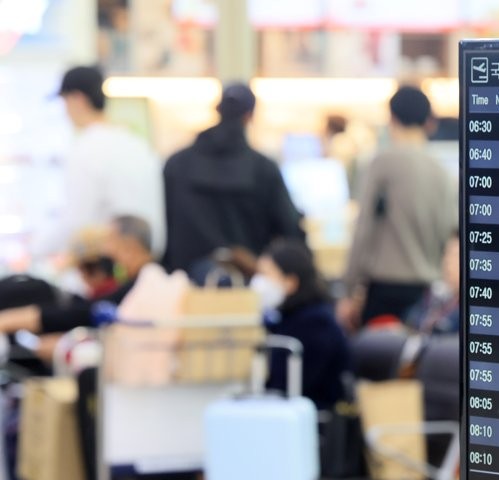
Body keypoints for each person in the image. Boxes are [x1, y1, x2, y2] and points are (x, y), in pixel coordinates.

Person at [338, 85, 457, 330]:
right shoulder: (443, 173)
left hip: (384, 290)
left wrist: (348, 290)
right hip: (426, 291)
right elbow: (450, 233)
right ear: (429, 122)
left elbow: (363, 230)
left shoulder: (380, 164)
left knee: (379, 363)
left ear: (391, 119)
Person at [162, 82, 305, 280]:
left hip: (184, 290)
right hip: (247, 290)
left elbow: (163, 229)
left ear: (218, 109)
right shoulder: (263, 169)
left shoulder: (176, 165)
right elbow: (290, 230)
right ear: (250, 116)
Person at [34, 66, 165, 260]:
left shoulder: (85, 148)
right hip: (147, 261)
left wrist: (34, 251)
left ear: (77, 99)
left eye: (64, 101)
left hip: (108, 268)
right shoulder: (137, 143)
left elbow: (75, 222)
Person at [0, 215, 154, 337]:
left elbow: (89, 311)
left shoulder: (149, 281)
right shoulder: (142, 279)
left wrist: (15, 319)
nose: (104, 249)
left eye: (109, 240)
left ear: (129, 245)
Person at [251, 240, 350, 412]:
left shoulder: (315, 323)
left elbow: (290, 384)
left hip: (313, 418)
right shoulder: (290, 316)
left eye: (266, 274)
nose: (259, 282)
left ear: (291, 281)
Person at [404, 232, 459, 336]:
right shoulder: (436, 293)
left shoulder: (474, 311)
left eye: (455, 256)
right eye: (446, 254)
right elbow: (410, 318)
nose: (447, 261)